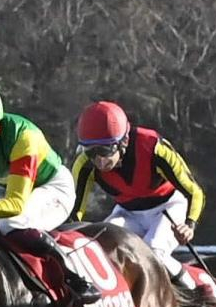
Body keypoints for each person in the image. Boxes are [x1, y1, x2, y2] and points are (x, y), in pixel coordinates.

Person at [0, 80, 98, 304]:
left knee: (12, 224)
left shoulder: (24, 138)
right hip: (5, 185)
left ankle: (73, 276)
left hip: (51, 187)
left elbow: (15, 204)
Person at [70, 101, 207, 288]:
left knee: (154, 250)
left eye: (104, 151)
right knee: (101, 243)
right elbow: (75, 212)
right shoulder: (84, 165)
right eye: (90, 151)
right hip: (128, 212)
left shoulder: (153, 148)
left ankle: (198, 294)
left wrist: (189, 225)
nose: (99, 160)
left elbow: (194, 192)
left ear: (123, 142)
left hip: (168, 208)